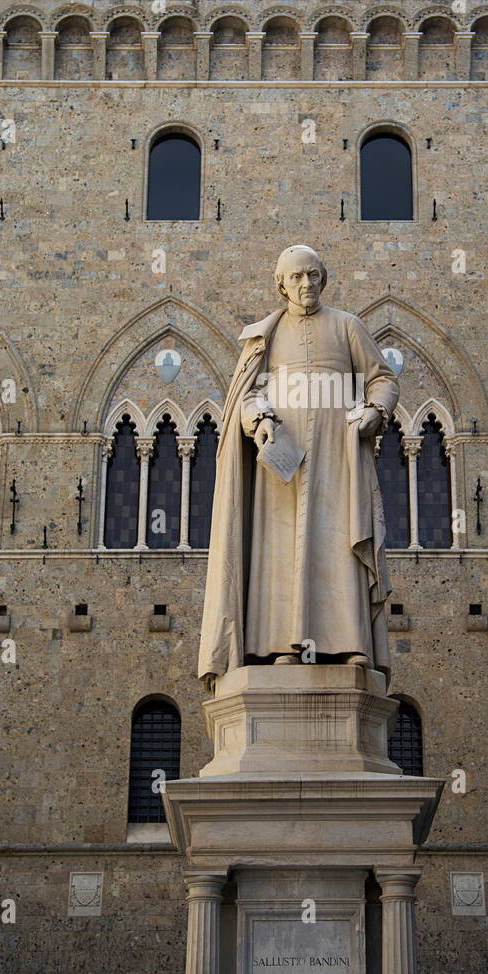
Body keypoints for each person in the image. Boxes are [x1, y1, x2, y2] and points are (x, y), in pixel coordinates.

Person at [198, 245, 399, 685]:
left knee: (338, 544)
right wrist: (261, 420)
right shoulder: (264, 338)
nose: (306, 284)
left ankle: (351, 646)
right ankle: (279, 648)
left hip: (336, 459)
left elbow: (382, 378)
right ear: (281, 285)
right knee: (279, 553)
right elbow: (248, 394)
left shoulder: (348, 327)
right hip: (281, 471)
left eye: (313, 276)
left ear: (323, 280)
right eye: (297, 278)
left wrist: (375, 412)